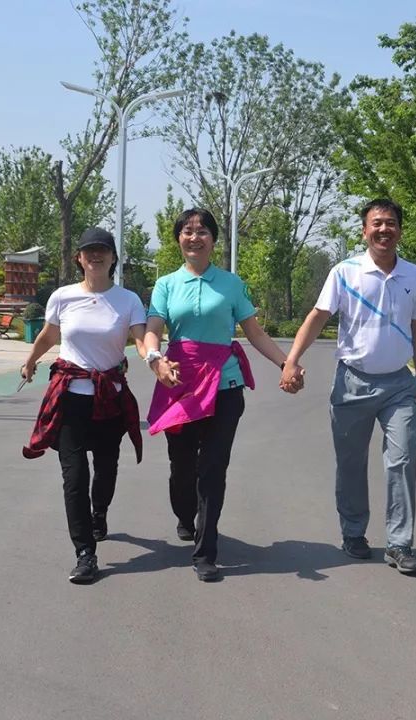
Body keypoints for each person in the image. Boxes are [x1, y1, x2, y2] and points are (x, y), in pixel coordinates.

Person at [142, 208, 298, 582]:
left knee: (213, 468)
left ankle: (205, 551)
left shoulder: (231, 284)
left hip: (224, 385)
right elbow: (152, 329)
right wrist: (155, 360)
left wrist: (286, 363)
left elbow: (254, 332)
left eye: (202, 231)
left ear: (213, 239)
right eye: (187, 231)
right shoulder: (166, 284)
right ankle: (185, 515)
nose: (194, 237)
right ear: (178, 238)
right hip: (179, 383)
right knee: (182, 467)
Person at [281, 198, 416, 574]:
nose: (384, 229)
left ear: (400, 230)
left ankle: (399, 543)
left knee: (403, 458)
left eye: (391, 223)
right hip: (352, 382)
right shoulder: (345, 272)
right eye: (377, 223)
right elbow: (318, 317)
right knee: (351, 463)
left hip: (398, 385)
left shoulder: (414, 276)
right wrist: (292, 360)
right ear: (365, 231)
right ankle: (353, 532)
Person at [21, 227, 148, 584]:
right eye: (88, 250)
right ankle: (85, 553)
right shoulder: (63, 296)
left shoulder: (128, 300)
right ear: (79, 258)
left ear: (113, 258)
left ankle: (100, 512)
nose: (95, 255)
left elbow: (141, 340)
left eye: (102, 250)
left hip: (109, 398)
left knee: (105, 470)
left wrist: (154, 358)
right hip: (70, 400)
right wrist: (31, 360)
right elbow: (49, 334)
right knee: (74, 477)